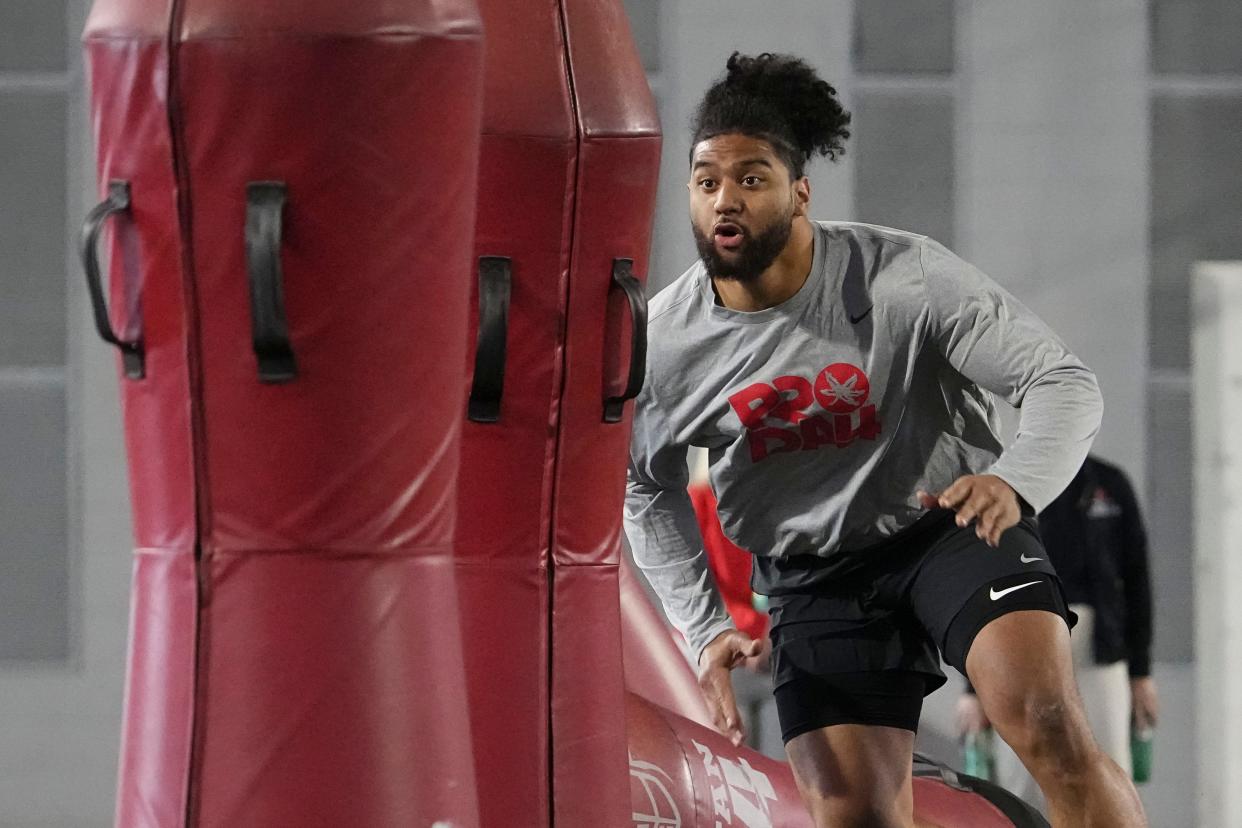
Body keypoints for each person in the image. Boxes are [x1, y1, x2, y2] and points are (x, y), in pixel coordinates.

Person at [622, 52, 1147, 827]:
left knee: (1047, 724)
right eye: (706, 183)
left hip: (950, 529)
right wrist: (702, 630)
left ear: (801, 191)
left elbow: (1063, 382)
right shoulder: (669, 342)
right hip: (813, 575)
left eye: (752, 178)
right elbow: (644, 484)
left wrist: (1015, 480)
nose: (725, 200)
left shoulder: (903, 278)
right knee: (857, 815)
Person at [957, 454, 1158, 807]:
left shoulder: (1109, 484)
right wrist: (973, 690)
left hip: (1101, 643)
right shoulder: (1005, 485)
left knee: (1112, 768)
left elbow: (1137, 578)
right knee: (1020, 775)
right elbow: (979, 584)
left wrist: (1141, 673)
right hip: (1022, 638)